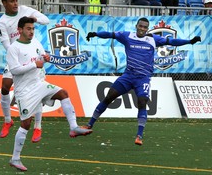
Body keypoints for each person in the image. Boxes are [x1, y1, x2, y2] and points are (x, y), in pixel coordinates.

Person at [84, 17, 201, 146]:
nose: (142, 29)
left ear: (147, 28)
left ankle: (139, 136)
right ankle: (89, 124)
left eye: (145, 27)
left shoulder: (153, 39)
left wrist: (189, 41)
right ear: (136, 26)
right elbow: (110, 35)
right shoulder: (127, 36)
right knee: (109, 96)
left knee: (142, 102)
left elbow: (172, 41)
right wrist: (95, 34)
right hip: (128, 76)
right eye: (141, 26)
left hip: (143, 78)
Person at [0, 0, 91, 142]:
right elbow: (7, 44)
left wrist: (33, 19)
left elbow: (45, 20)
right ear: (4, 3)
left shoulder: (25, 10)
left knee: (37, 87)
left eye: (16, 0)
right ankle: (8, 120)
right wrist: (18, 55)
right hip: (17, 57)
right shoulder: (2, 22)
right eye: (12, 1)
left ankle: (38, 127)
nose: (15, 4)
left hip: (32, 53)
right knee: (5, 87)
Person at [7, 17, 92, 171]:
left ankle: (73, 127)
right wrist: (35, 64)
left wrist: (46, 57)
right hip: (24, 92)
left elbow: (41, 56)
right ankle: (15, 158)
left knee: (63, 93)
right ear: (19, 30)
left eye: (32, 28)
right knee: (25, 125)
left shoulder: (36, 42)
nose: (31, 31)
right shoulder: (14, 48)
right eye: (28, 28)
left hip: (39, 84)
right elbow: (14, 70)